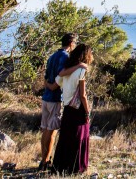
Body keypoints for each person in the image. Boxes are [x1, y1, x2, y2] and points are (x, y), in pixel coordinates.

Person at [39, 33, 80, 171]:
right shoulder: (64, 56)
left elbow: (45, 77)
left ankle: (43, 159)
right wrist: (79, 66)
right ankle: (46, 160)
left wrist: (48, 86)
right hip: (55, 98)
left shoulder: (52, 56)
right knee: (52, 131)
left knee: (45, 129)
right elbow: (61, 73)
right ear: (71, 43)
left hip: (45, 97)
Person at [52, 44, 94, 174]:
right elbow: (82, 95)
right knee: (80, 137)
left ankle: (61, 165)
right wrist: (87, 112)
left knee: (66, 136)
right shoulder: (82, 71)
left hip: (68, 107)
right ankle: (77, 166)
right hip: (78, 108)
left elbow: (57, 81)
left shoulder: (67, 70)